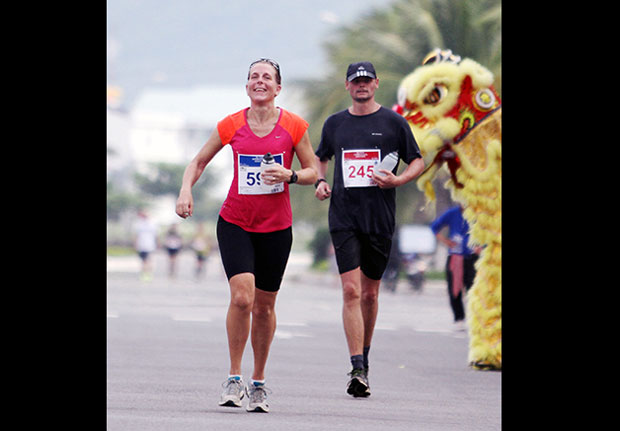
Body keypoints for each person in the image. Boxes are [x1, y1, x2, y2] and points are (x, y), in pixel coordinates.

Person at [175, 58, 317, 413]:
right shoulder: (231, 124)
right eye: (254, 76)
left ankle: (259, 382)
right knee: (242, 298)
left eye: (266, 77)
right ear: (247, 85)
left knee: (265, 307)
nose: (259, 81)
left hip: (276, 228)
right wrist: (185, 191)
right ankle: (234, 378)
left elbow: (313, 170)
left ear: (277, 88)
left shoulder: (294, 126)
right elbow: (198, 162)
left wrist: (290, 175)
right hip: (235, 222)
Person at [314, 61, 425, 398]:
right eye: (355, 81)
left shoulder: (393, 123)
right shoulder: (335, 124)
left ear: (376, 84)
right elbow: (321, 157)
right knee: (350, 291)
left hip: (379, 218)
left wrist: (399, 179)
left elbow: (417, 159)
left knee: (371, 293)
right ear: (348, 86)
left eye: (366, 80)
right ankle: (357, 367)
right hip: (344, 217)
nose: (361, 86)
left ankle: (366, 355)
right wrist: (320, 180)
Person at [430, 204, 481, 330]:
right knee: (454, 288)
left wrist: (482, 246)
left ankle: (477, 318)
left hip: (472, 257)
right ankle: (459, 318)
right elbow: (434, 227)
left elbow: (490, 230)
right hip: (455, 257)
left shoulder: (479, 213)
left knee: (475, 290)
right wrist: (446, 241)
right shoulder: (452, 213)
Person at [132, 210, 158, 282]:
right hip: (141, 245)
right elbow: (136, 235)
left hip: (150, 245)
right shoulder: (138, 224)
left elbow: (156, 235)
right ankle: (144, 273)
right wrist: (135, 244)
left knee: (148, 260)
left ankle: (148, 274)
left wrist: (157, 243)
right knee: (143, 261)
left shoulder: (152, 223)